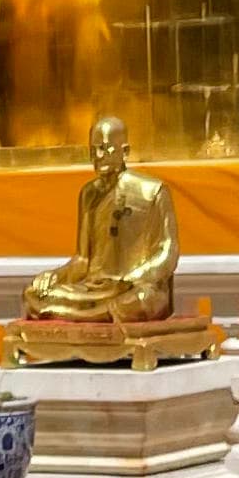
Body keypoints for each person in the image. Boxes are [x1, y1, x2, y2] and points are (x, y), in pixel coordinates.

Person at [21, 112, 179, 323]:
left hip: (133, 287)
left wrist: (133, 277)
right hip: (95, 289)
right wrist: (55, 276)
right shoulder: (89, 194)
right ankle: (95, 314)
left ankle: (83, 314)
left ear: (125, 151)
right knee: (33, 294)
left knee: (141, 300)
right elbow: (83, 260)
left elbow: (168, 252)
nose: (98, 155)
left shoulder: (152, 191)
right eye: (93, 149)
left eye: (105, 148)